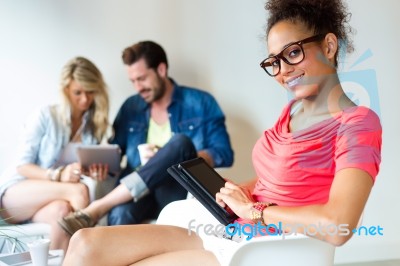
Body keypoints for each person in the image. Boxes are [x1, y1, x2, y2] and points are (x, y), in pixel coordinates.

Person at [62, 0, 382, 265]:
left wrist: (254, 211)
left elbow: (338, 225)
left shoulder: (357, 124)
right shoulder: (294, 110)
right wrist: (232, 191)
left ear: (328, 45)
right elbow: (280, 181)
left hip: (260, 250)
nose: (282, 71)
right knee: (85, 243)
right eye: (274, 61)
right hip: (228, 230)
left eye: (293, 53)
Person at [58, 41, 234, 234]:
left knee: (181, 143)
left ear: (161, 69)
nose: (137, 87)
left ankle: (98, 207)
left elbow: (223, 153)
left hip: (175, 190)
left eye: (141, 78)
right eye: (132, 81)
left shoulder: (201, 102)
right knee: (120, 215)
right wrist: (102, 168)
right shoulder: (131, 107)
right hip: (137, 195)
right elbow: (116, 152)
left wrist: (172, 155)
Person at [0, 56, 110, 252]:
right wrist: (58, 175)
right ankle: (92, 251)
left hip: (53, 201)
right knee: (79, 191)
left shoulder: (92, 128)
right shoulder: (46, 115)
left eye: (90, 92)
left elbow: (77, 172)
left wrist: (93, 172)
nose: (84, 99)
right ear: (66, 90)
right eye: (78, 92)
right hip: (16, 195)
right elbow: (22, 166)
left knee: (62, 212)